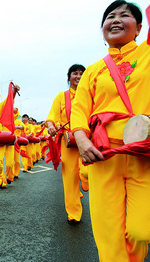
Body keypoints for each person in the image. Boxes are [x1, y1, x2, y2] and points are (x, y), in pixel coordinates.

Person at [71, 1, 150, 260]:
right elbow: (79, 110)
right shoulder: (93, 71)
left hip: (147, 154)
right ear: (102, 29)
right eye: (110, 16)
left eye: (124, 15)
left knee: (140, 232)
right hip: (105, 156)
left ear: (138, 28)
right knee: (108, 235)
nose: (115, 19)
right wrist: (81, 139)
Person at [46, 64, 89, 224]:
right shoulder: (61, 97)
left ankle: (83, 180)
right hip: (68, 141)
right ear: (69, 77)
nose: (78, 76)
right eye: (74, 73)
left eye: (81, 73)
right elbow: (51, 117)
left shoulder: (91, 94)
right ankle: (74, 214)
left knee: (86, 173)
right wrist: (51, 126)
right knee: (70, 178)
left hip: (88, 139)